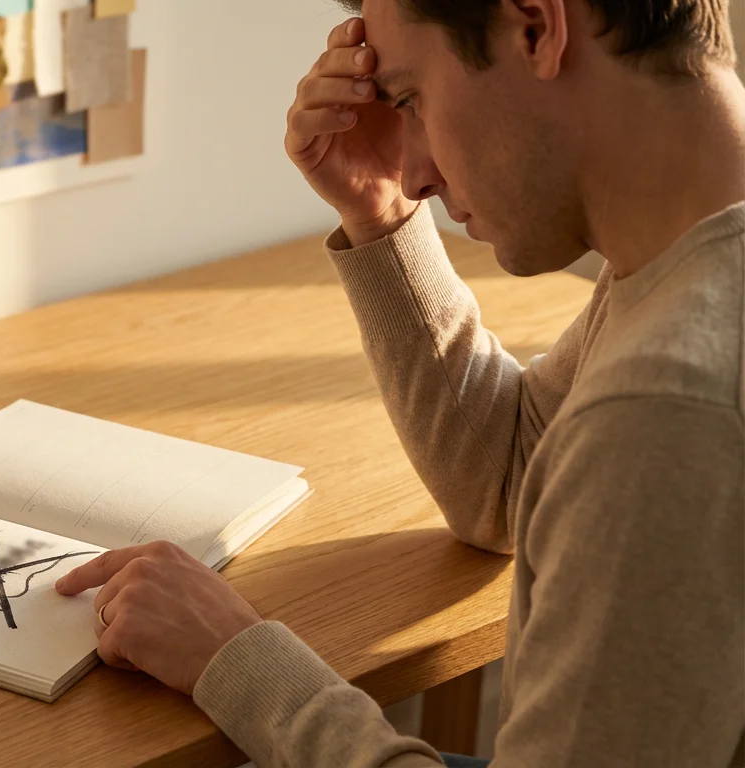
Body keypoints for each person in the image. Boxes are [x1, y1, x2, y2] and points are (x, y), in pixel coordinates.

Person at [53, 0, 745, 765]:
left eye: (411, 98)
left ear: (536, 29)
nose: (414, 173)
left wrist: (237, 659)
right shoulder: (689, 257)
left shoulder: (668, 412)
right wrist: (378, 213)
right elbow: (514, 485)